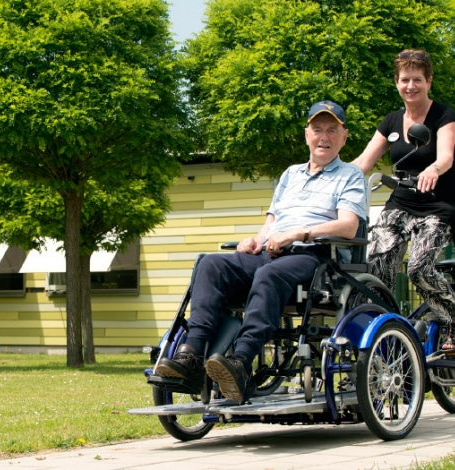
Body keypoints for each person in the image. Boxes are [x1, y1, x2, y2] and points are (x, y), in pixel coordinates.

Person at [155, 101, 367, 403]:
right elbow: (273, 221)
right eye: (317, 129)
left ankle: (240, 362)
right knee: (210, 264)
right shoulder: (291, 174)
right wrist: (256, 239)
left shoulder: (350, 175)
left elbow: (347, 226)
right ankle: (192, 354)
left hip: (316, 257)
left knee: (269, 274)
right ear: (306, 134)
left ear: (344, 137)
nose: (324, 137)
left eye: (332, 130)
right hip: (273, 250)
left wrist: (298, 233)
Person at [352, 49, 455, 349]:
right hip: (401, 203)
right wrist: (335, 177)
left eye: (418, 80)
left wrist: (433, 168)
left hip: (437, 205)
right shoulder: (391, 121)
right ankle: (384, 332)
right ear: (397, 83)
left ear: (429, 81)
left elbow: (447, 156)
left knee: (419, 269)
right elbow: (364, 162)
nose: (411, 86)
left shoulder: (444, 115)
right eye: (405, 80)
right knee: (376, 269)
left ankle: (452, 318)